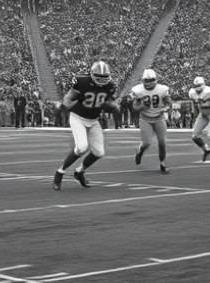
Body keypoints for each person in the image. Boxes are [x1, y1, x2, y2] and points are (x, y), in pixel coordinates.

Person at [53, 60, 120, 190]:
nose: (101, 80)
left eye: (104, 77)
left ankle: (80, 171)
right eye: (99, 76)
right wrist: (65, 105)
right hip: (78, 117)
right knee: (82, 147)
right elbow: (69, 97)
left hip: (93, 120)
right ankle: (60, 172)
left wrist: (113, 106)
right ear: (92, 74)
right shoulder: (82, 82)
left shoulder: (110, 85)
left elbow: (111, 101)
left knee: (99, 152)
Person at [130, 69, 173, 174]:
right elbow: (135, 107)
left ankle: (162, 164)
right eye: (146, 80)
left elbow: (169, 103)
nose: (149, 83)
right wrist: (140, 106)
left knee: (162, 142)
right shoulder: (138, 90)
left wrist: (165, 108)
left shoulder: (162, 89)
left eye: (151, 80)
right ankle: (140, 151)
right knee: (146, 143)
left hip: (159, 117)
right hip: (145, 118)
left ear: (155, 80)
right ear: (142, 80)